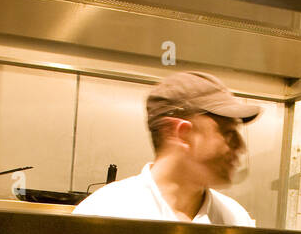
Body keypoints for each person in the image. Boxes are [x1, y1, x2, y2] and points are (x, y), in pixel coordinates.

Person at [73, 71, 260, 224]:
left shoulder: (235, 219)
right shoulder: (104, 213)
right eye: (228, 133)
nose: (241, 147)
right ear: (182, 133)